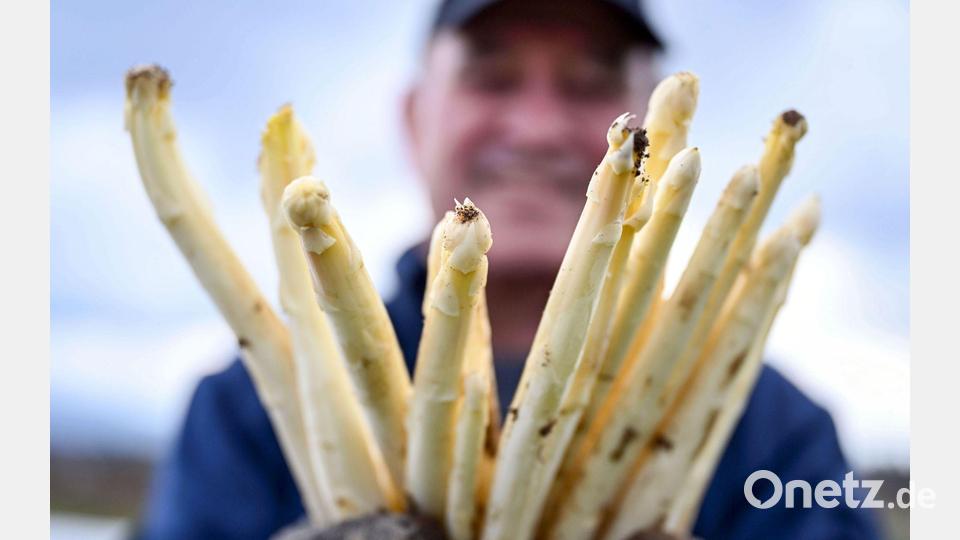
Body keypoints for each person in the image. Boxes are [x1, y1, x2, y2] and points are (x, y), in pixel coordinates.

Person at [136, 1, 880, 538]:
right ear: (413, 118)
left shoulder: (775, 433)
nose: (537, 127)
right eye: (492, 79)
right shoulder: (244, 415)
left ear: (654, 128)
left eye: (589, 84)